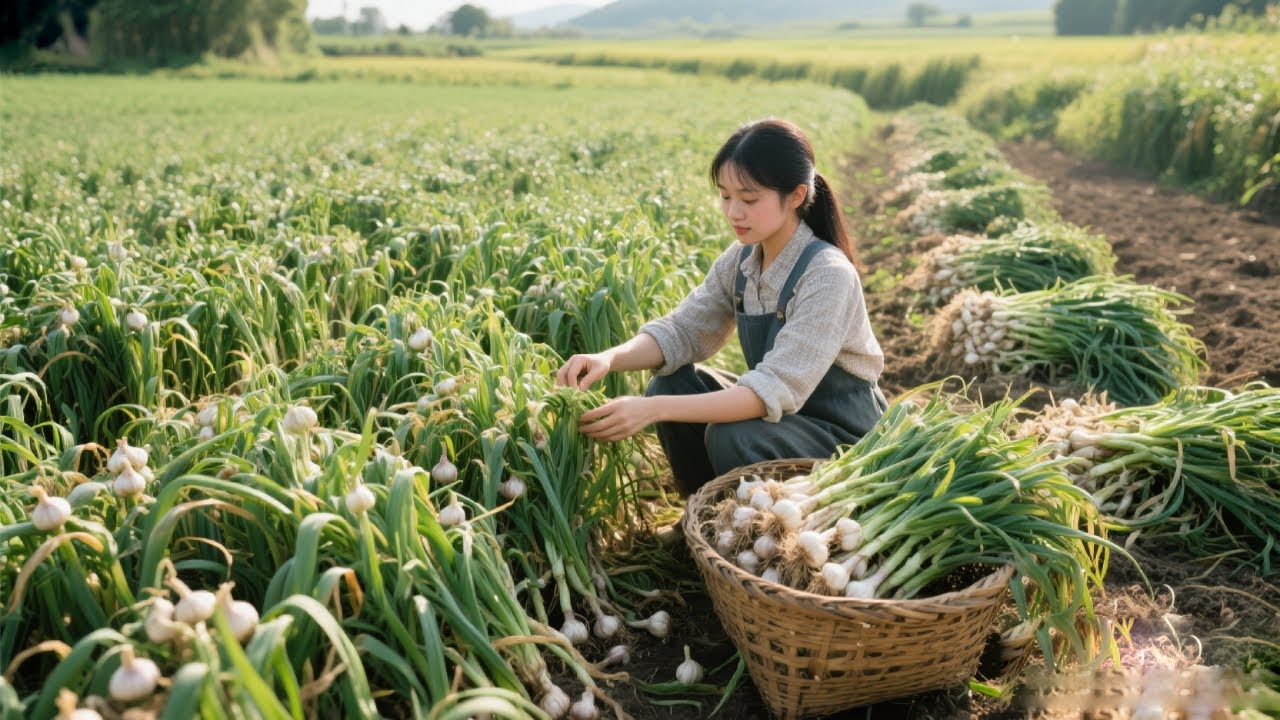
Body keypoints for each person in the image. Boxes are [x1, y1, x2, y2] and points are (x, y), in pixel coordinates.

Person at [555, 118, 887, 496]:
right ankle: (701, 512)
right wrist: (608, 358)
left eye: (749, 199)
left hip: (844, 438)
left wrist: (653, 409)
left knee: (732, 435)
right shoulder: (742, 260)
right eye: (725, 196)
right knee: (670, 384)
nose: (733, 213)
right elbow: (683, 331)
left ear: (796, 196)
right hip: (784, 421)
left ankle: (748, 523)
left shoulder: (828, 275)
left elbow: (774, 389)